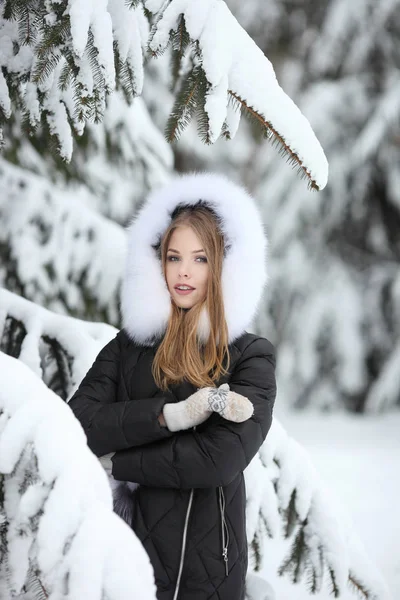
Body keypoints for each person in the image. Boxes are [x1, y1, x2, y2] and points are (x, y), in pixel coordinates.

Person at [68, 172, 277, 600]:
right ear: (156, 261)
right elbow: (79, 424)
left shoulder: (250, 356)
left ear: (222, 267)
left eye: (200, 259)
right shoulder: (128, 348)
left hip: (208, 576)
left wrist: (119, 463)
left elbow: (218, 460)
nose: (183, 273)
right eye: (173, 256)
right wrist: (169, 416)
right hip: (125, 563)